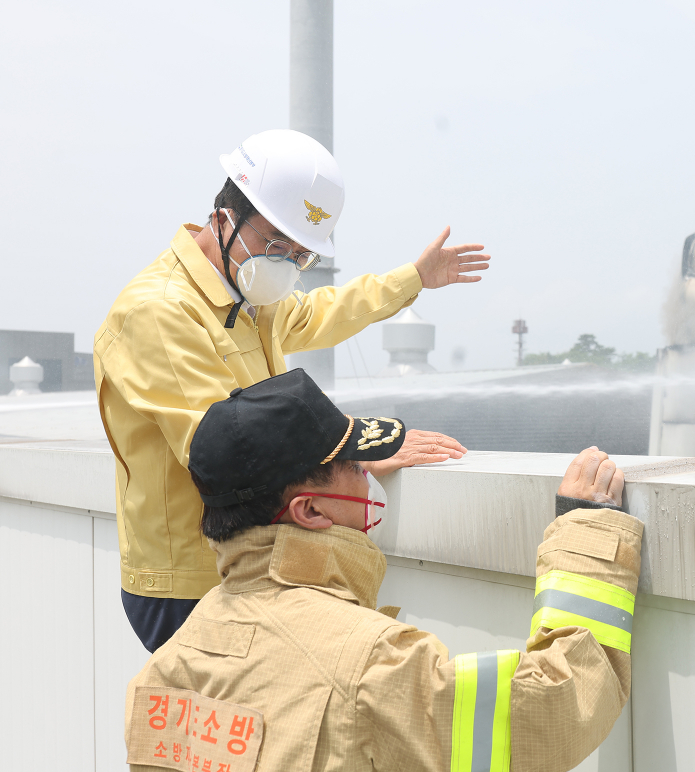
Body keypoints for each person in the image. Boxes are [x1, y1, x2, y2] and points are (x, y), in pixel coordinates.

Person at [124, 369, 642, 772]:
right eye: (355, 465)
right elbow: (545, 714)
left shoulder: (166, 668)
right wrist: (588, 534)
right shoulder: (369, 665)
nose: (368, 477)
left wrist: (340, 472)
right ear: (309, 510)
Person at [95, 129, 489, 652]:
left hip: (247, 561)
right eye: (276, 244)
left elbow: (318, 312)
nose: (284, 264)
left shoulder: (246, 294)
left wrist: (412, 279)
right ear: (223, 216)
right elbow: (225, 450)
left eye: (300, 254)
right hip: (189, 585)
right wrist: (354, 449)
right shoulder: (161, 311)